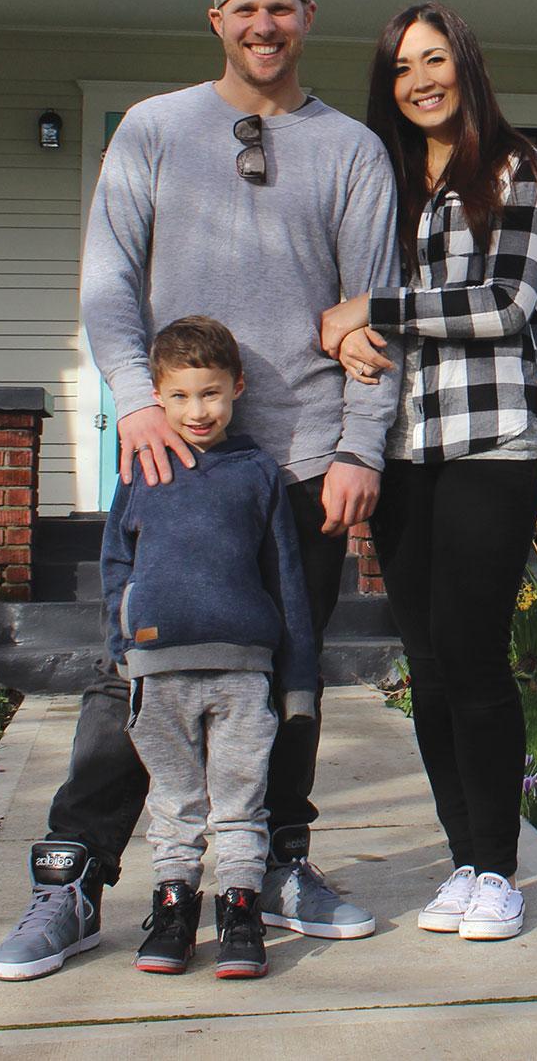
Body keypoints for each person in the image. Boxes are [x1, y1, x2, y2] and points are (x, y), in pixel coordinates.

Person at [0, 0, 401, 982]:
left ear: (307, 16)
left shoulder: (350, 150)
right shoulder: (154, 129)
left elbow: (377, 310)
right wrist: (134, 398)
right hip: (175, 452)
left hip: (304, 453)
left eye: (282, 6)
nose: (264, 23)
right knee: (133, 667)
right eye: (244, 6)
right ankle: (74, 879)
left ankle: (280, 867)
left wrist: (359, 445)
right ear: (217, 19)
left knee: (288, 670)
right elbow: (108, 282)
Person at [320, 1, 537, 941]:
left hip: (491, 440)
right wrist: (340, 333)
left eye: (434, 60)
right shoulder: (382, 182)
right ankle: (464, 861)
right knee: (424, 663)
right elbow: (344, 305)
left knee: (472, 652)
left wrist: (367, 308)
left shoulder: (518, 169)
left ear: (464, 63)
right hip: (403, 448)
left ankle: (500, 870)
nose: (419, 80)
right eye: (402, 67)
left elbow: (506, 302)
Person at [109, 316, 318, 980]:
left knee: (238, 801)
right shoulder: (141, 467)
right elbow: (117, 561)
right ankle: (173, 912)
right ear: (157, 396)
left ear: (238, 389)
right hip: (158, 670)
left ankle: (239, 912)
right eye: (179, 396)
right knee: (173, 802)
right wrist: (121, 644)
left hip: (242, 673)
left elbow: (286, 574)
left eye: (211, 394)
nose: (197, 411)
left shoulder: (256, 471)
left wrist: (300, 682)